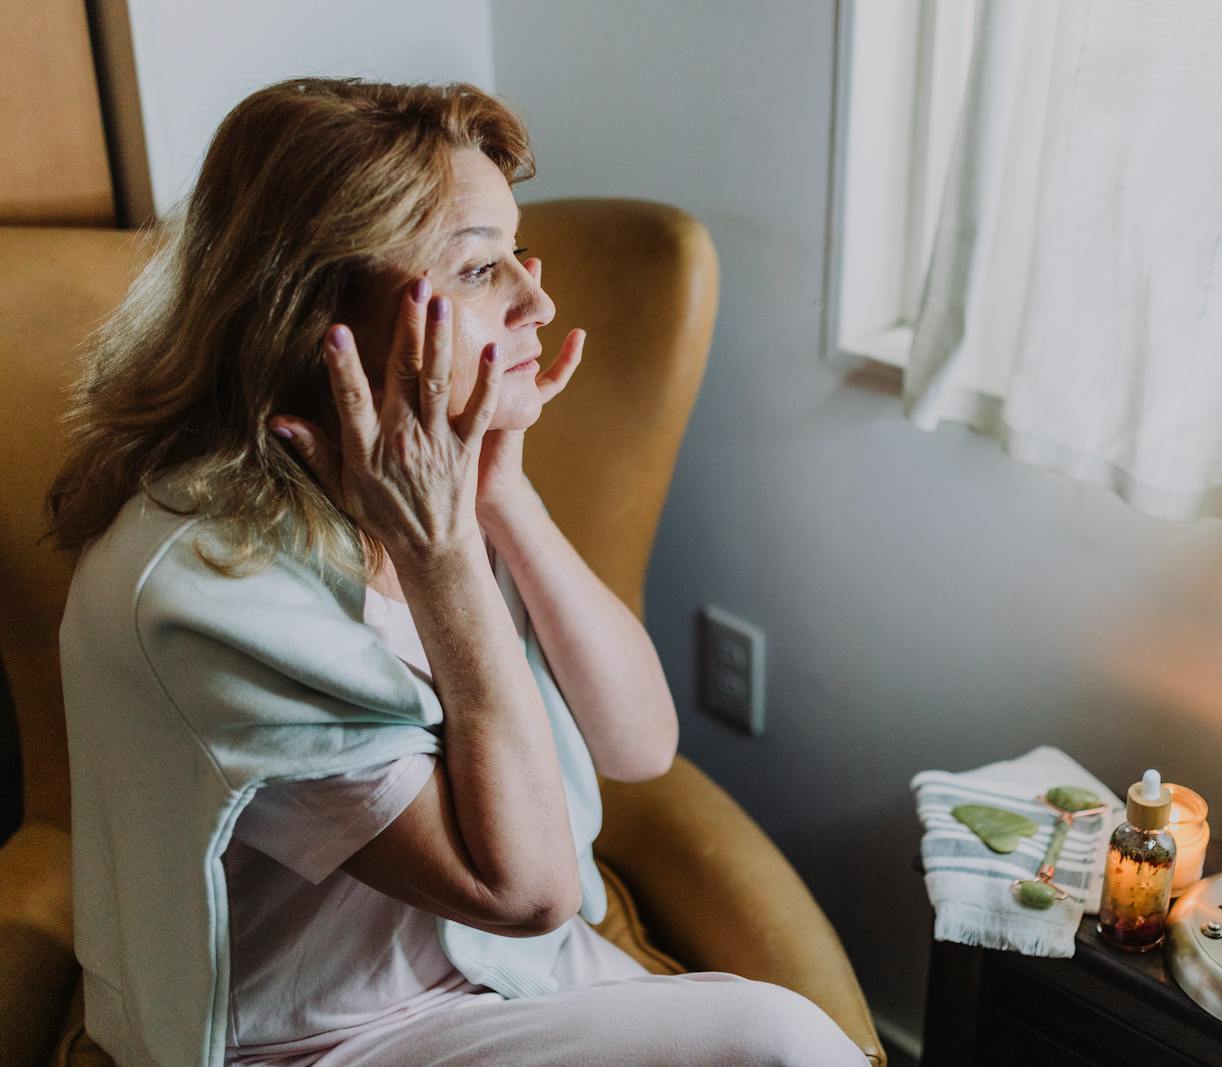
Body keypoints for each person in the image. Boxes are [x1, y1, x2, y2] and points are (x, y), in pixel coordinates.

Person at [47, 77, 866, 1067]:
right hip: (331, 1035)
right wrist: (443, 563)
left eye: (516, 252)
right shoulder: (206, 594)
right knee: (769, 1035)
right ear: (316, 312)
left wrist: (501, 498)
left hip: (511, 977)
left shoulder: (422, 465)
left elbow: (639, 741)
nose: (538, 297)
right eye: (480, 268)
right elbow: (524, 892)